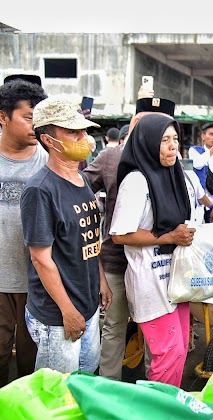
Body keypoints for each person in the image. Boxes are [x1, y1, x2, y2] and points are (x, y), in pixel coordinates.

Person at [84, 96, 176, 380]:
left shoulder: (170, 160)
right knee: (113, 326)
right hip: (116, 259)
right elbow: (81, 185)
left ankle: (153, 389)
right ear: (135, 121)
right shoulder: (111, 156)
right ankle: (110, 389)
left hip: (156, 263)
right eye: (144, 119)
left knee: (156, 331)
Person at [21, 95, 112, 374]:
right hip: (58, 314)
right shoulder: (40, 190)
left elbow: (89, 238)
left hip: (87, 304)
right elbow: (41, 260)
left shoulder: (82, 180)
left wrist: (101, 281)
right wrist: (67, 310)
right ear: (49, 140)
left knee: (85, 381)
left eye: (83, 130)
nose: (82, 137)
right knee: (58, 397)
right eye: (72, 132)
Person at [110, 114, 195, 386]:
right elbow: (121, 234)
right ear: (147, 143)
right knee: (166, 355)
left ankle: (169, 409)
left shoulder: (174, 176)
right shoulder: (136, 182)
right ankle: (157, 412)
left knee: (179, 352)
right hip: (149, 280)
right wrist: (169, 236)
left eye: (175, 139)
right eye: (164, 140)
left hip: (176, 279)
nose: (173, 146)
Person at [0, 78, 47, 387]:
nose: (35, 126)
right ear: (3, 117)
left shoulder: (49, 162)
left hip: (36, 282)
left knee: (33, 358)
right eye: (29, 117)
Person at [188, 122, 213, 223]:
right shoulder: (195, 151)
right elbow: (197, 164)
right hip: (199, 205)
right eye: (211, 134)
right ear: (203, 136)